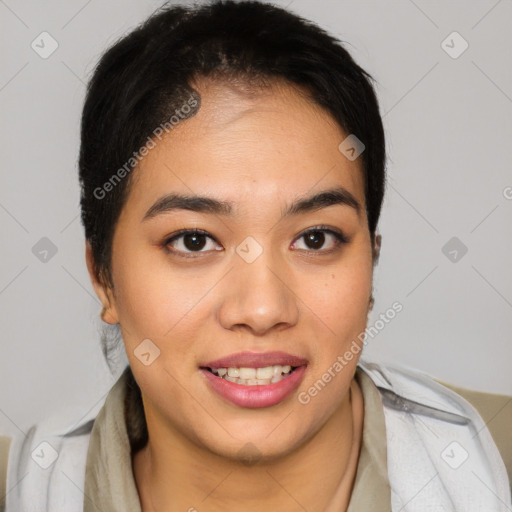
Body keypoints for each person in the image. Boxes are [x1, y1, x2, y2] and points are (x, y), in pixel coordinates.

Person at [1, 1, 510, 510]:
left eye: (315, 239)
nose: (263, 309)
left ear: (371, 263)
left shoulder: (496, 461)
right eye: (194, 241)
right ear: (103, 276)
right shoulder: (18, 490)